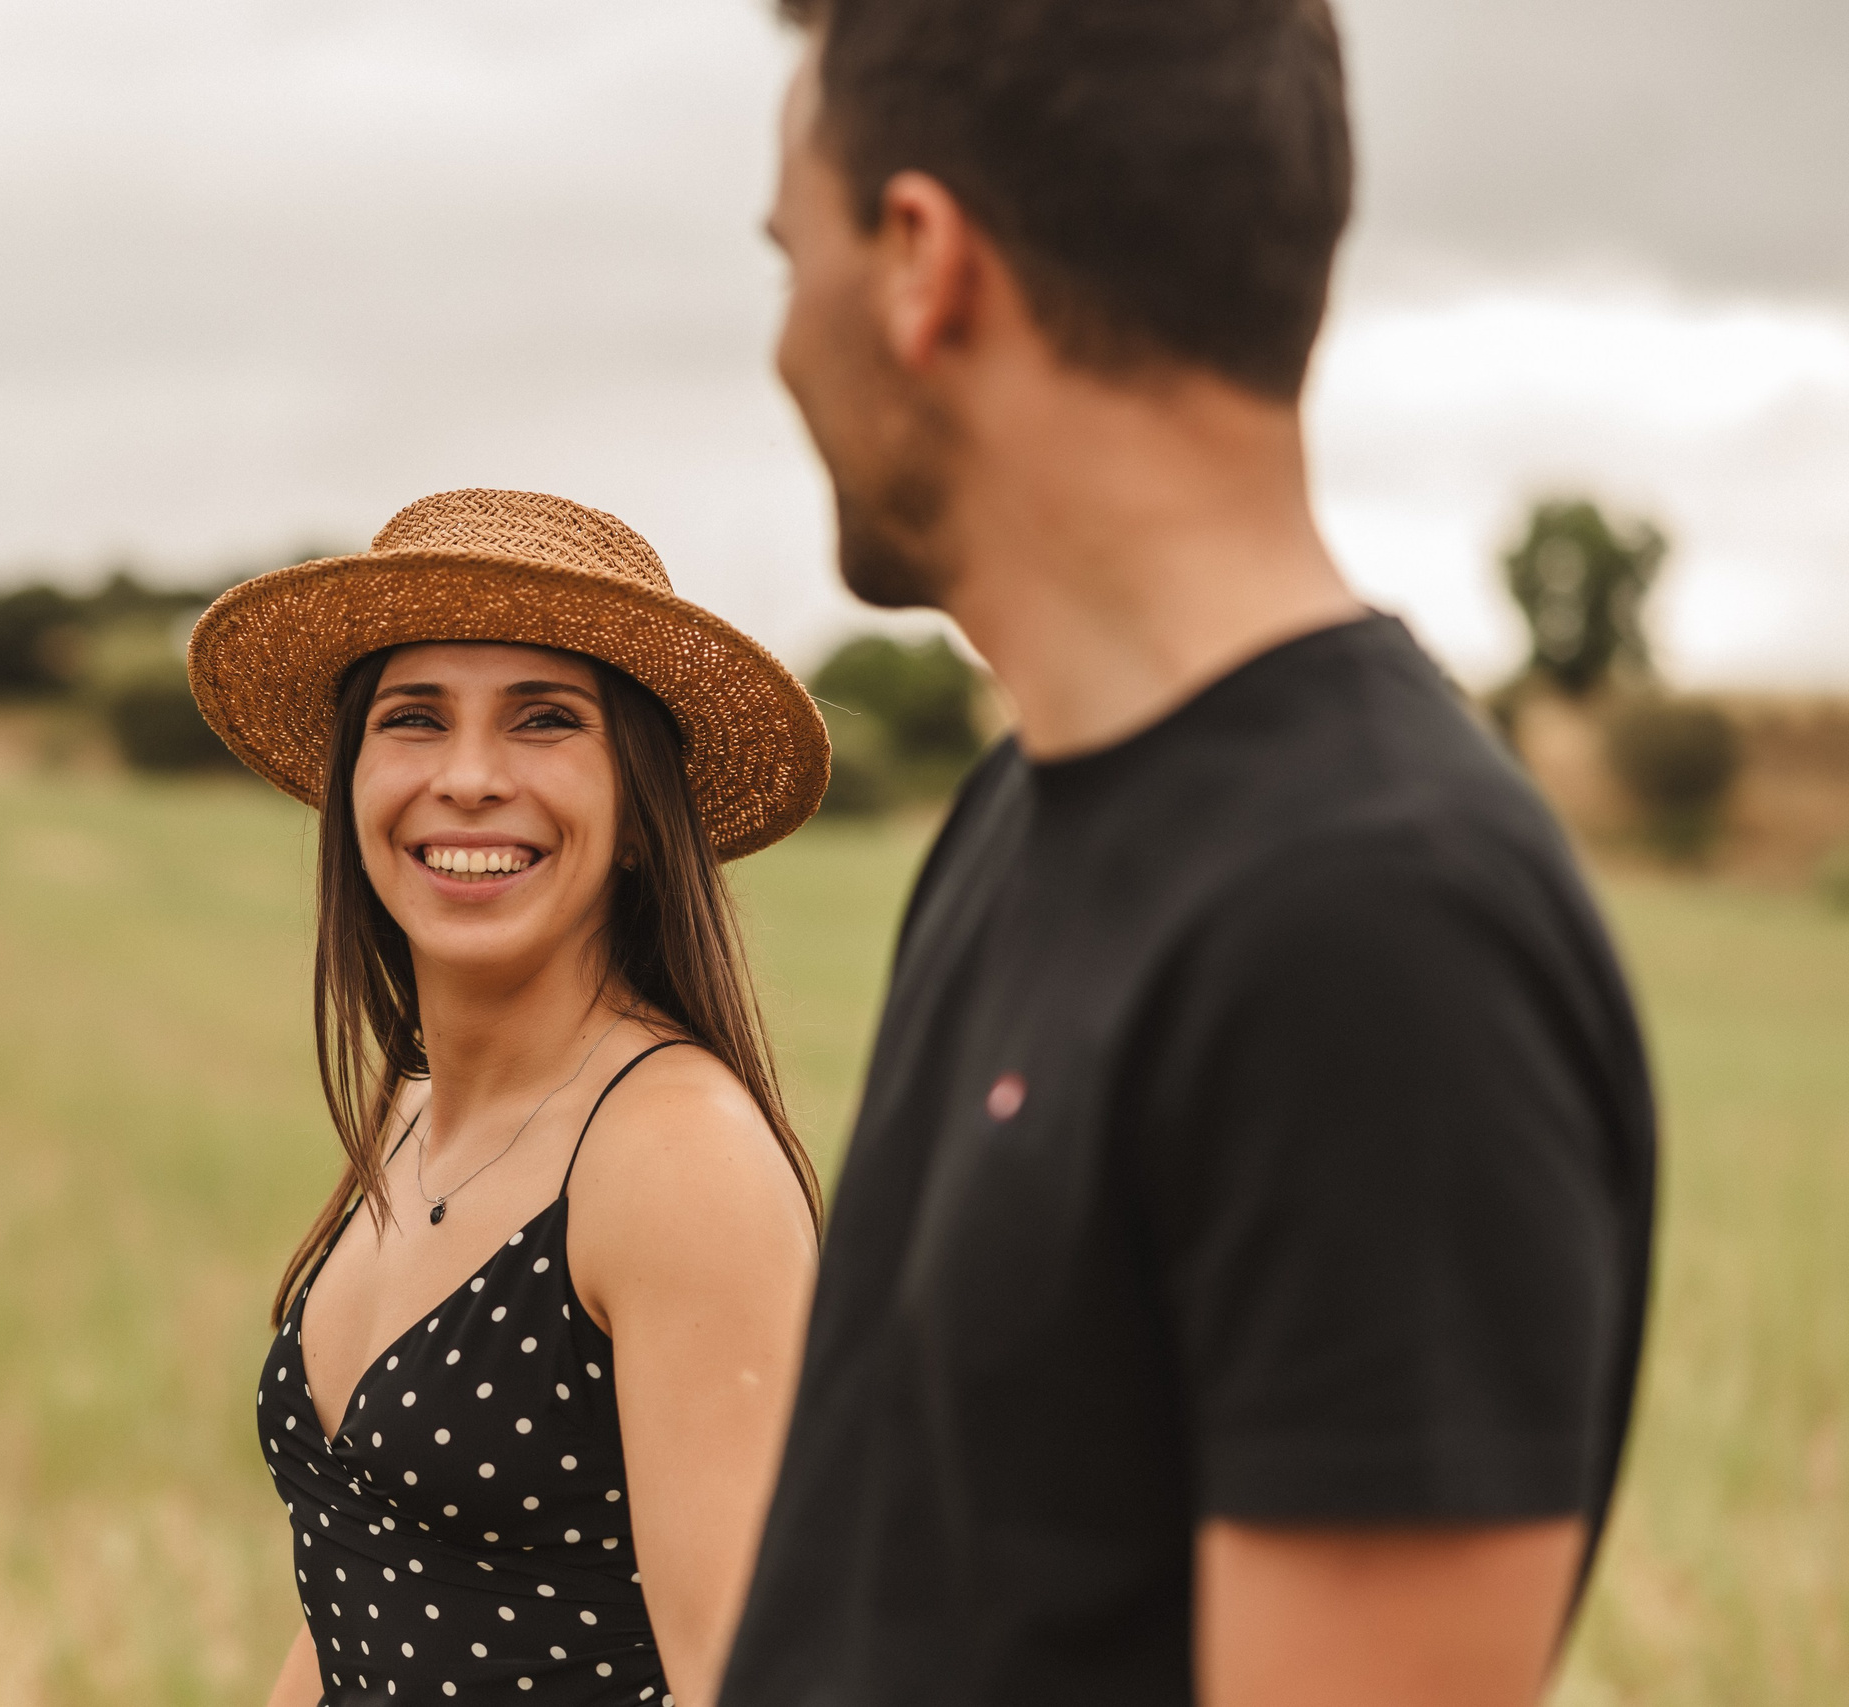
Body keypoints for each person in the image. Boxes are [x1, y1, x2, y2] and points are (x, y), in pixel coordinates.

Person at [723, 3, 1658, 1705]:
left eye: (793, 252)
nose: (781, 340)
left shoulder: (1374, 932)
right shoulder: (1020, 816)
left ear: (923, 262)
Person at [188, 489, 833, 1707]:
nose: (470, 778)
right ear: (353, 782)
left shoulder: (674, 1159)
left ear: (643, 813)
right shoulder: (409, 1113)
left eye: (545, 721)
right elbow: (355, 1593)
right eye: (413, 718)